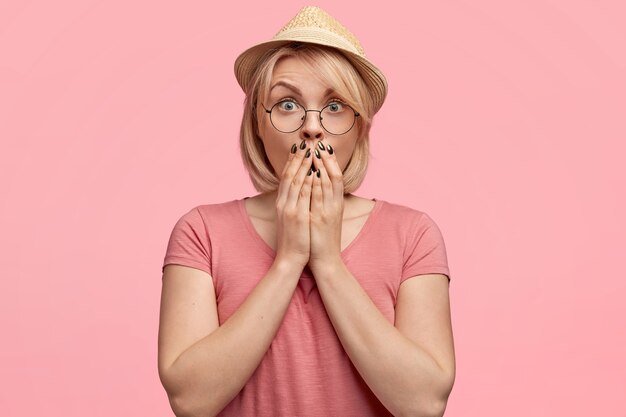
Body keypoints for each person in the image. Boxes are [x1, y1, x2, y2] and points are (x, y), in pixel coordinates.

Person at [158, 6, 455, 417]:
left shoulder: (413, 234)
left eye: (334, 107)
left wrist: (328, 261)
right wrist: (290, 258)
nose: (311, 127)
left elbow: (424, 404)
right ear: (257, 125)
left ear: (360, 127)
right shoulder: (201, 231)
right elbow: (191, 400)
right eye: (287, 104)